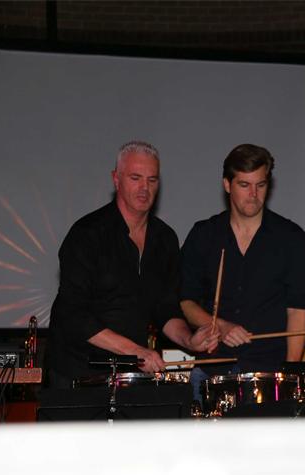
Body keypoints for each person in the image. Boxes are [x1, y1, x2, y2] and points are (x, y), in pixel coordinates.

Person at [46, 141, 216, 388]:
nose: (144, 188)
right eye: (135, 178)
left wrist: (189, 340)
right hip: (78, 374)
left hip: (129, 375)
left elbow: (165, 309)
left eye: (152, 180)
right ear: (116, 179)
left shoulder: (165, 239)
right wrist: (135, 351)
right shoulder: (87, 234)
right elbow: (73, 313)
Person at [180, 144, 305, 377]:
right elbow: (186, 301)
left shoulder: (291, 238)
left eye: (260, 185)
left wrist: (289, 373)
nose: (253, 194)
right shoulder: (204, 235)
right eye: (244, 185)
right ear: (227, 185)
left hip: (269, 370)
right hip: (213, 368)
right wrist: (221, 326)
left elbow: (297, 311)